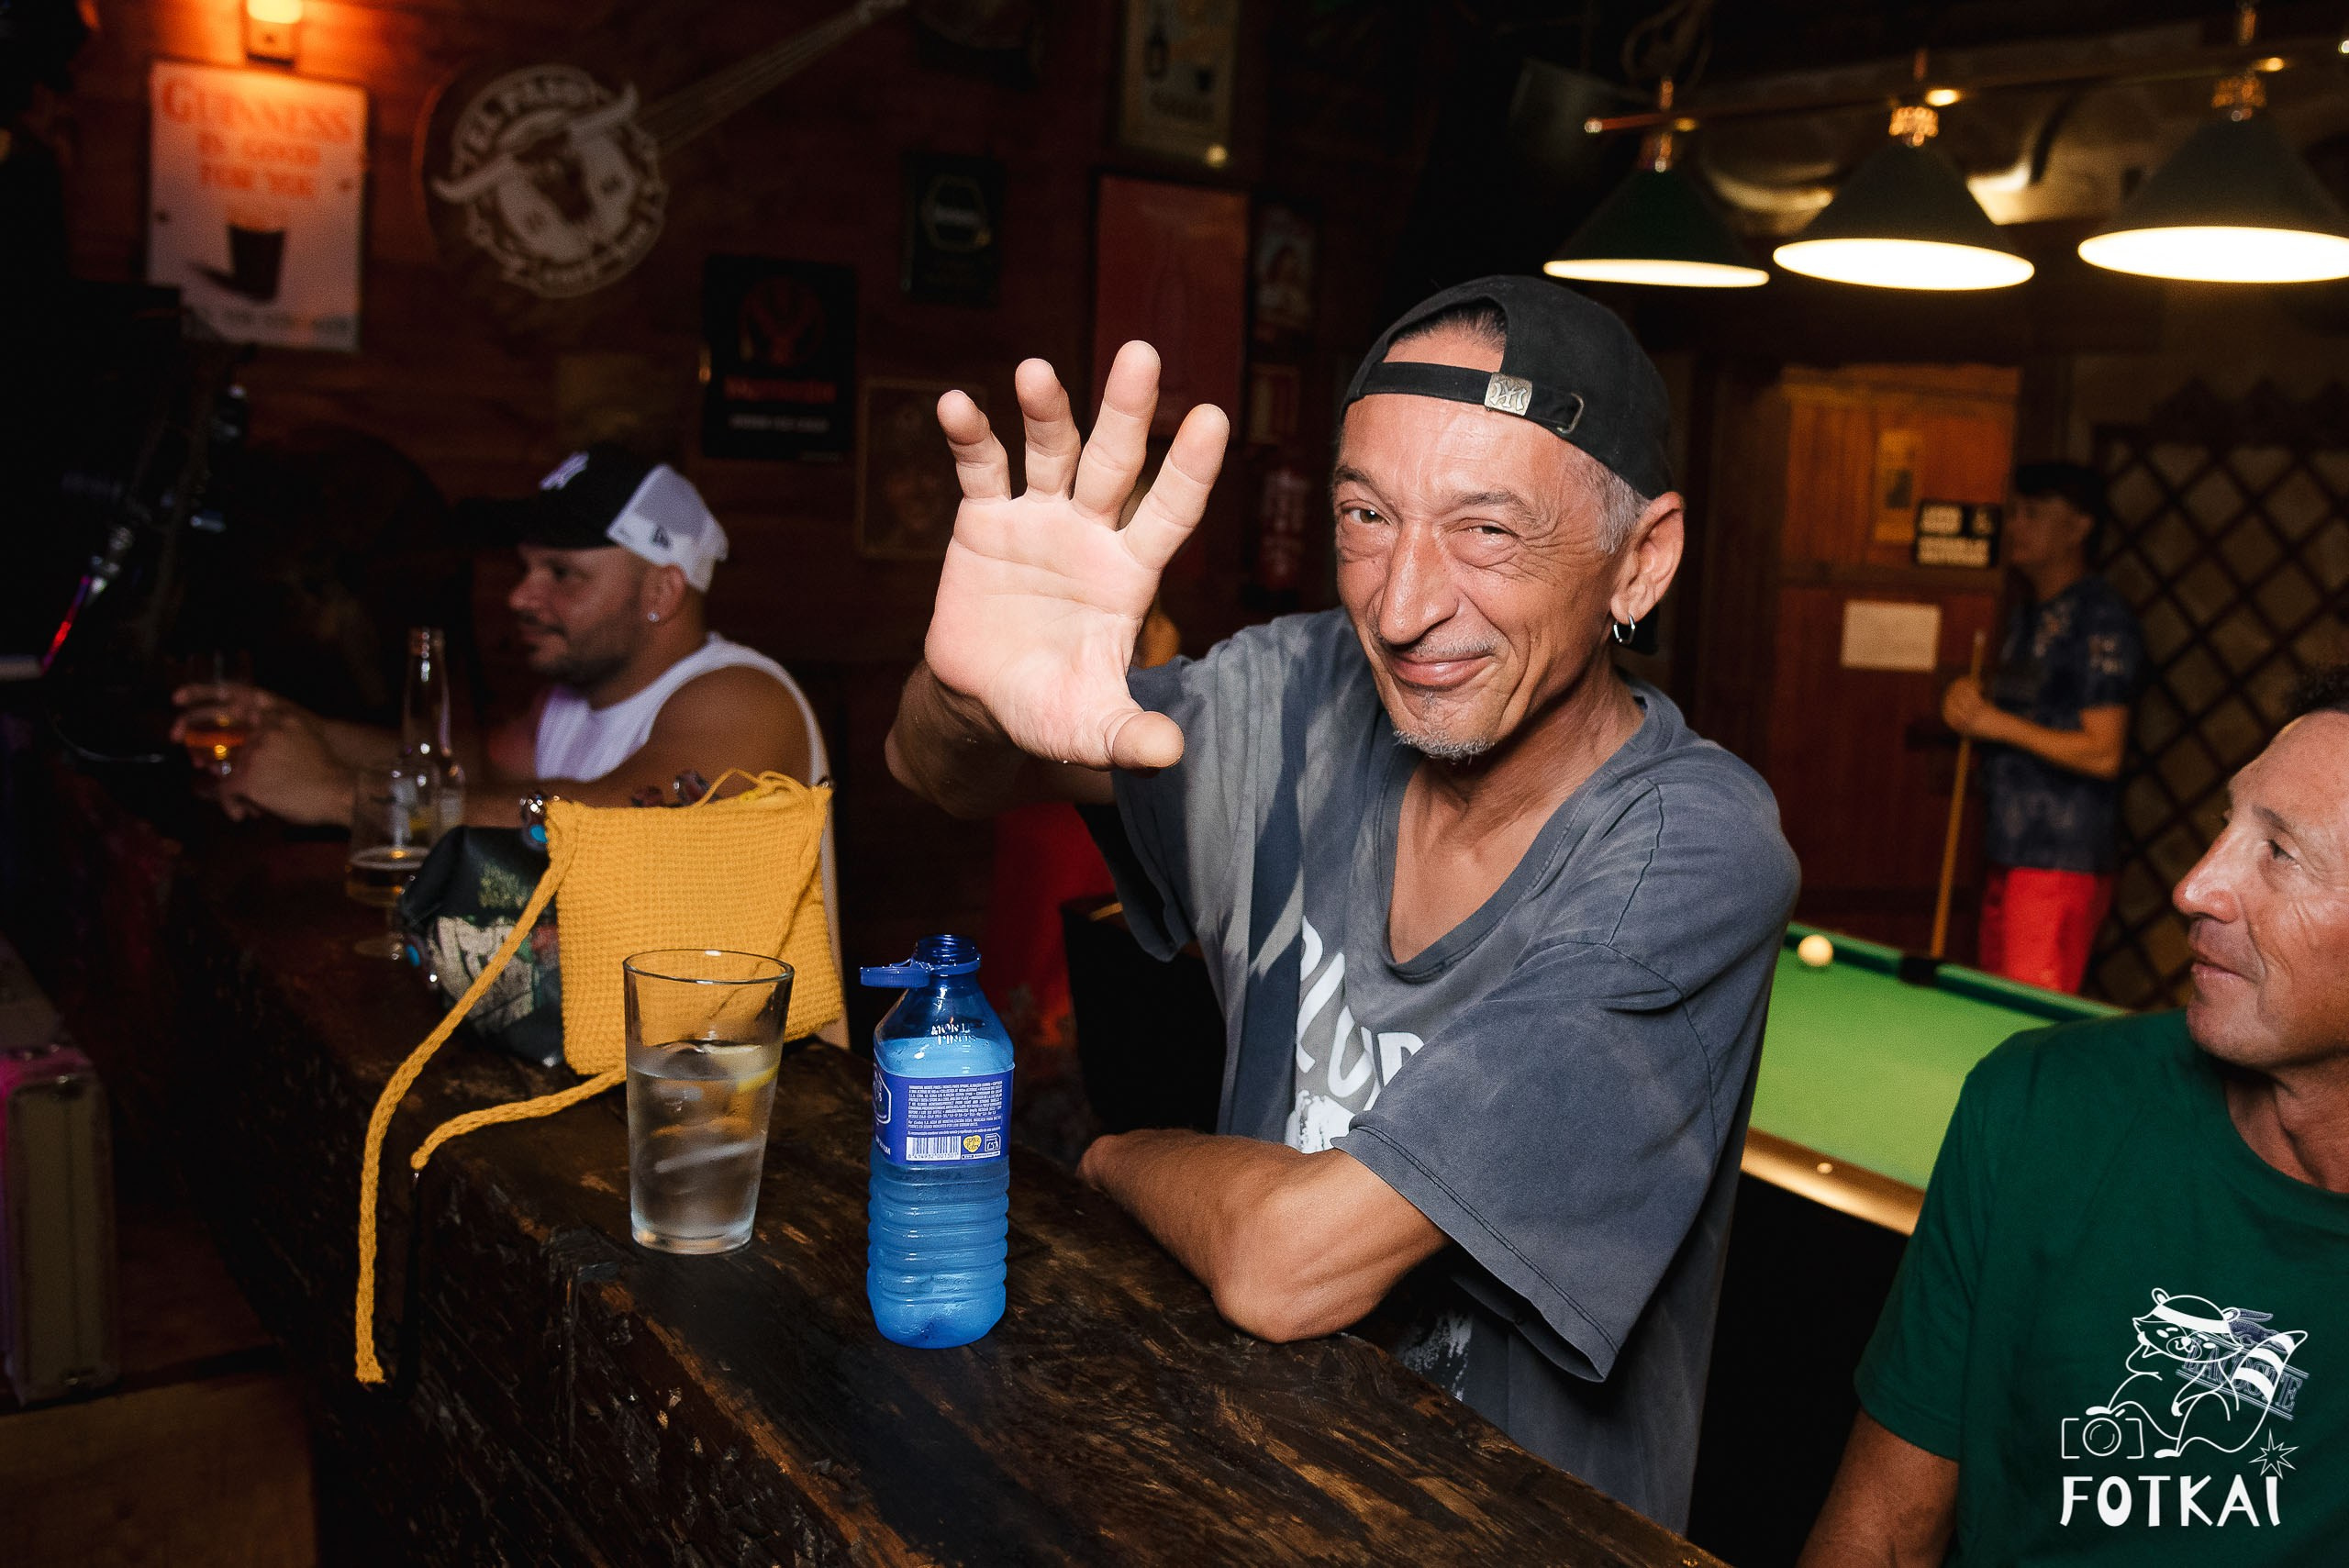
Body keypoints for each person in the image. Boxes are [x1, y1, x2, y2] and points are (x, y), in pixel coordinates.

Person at [886, 276, 1798, 1528]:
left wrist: (1108, 1155)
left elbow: (1287, 1265)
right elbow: (940, 772)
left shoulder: (1692, 843)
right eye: (1367, 516)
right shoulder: (1298, 692)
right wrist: (971, 688)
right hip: (1235, 1495)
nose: (1402, 606)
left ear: (1639, 560)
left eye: (1487, 530)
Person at [1800, 664, 2349, 1565]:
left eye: (2279, 852)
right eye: (2225, 825)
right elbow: (1882, 1535)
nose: (2194, 887)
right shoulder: (2041, 1105)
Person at [176, 445, 843, 1013]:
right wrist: (295, 728)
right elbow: (458, 765)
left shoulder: (744, 697)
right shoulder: (568, 702)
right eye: (525, 569)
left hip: (756, 1092)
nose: (521, 596)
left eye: (561, 573)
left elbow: (608, 822)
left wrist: (337, 794)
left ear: (661, 592)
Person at [1941, 461, 2144, 994]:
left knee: (2026, 1016)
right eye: (2014, 512)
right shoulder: (2027, 614)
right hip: (2007, 850)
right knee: (1995, 1009)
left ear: (2079, 527)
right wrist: (1970, 701)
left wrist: (1994, 723)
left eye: (2032, 513)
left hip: (2058, 859)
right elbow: (2023, 713)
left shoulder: (2100, 618)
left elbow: (2103, 751)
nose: (2015, 526)